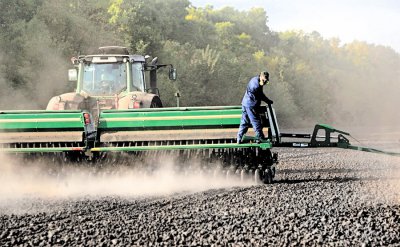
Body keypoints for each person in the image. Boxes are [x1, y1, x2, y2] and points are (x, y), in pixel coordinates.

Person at [237, 71, 273, 143]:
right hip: (251, 105)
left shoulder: (255, 79)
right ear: (261, 77)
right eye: (264, 81)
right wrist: (268, 101)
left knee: (244, 122)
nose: (265, 83)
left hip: (245, 103)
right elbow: (261, 95)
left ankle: (239, 138)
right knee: (256, 121)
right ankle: (260, 138)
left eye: (266, 82)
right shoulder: (256, 85)